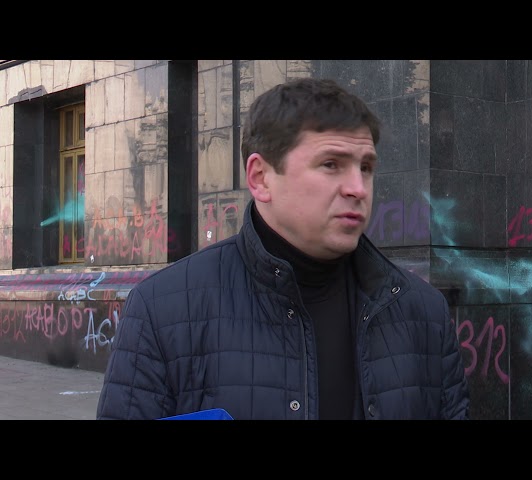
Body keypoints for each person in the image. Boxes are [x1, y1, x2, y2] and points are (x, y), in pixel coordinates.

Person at [96, 77, 470, 420]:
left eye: (366, 167)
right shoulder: (163, 310)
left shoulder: (424, 312)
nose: (358, 188)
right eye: (331, 164)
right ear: (260, 178)